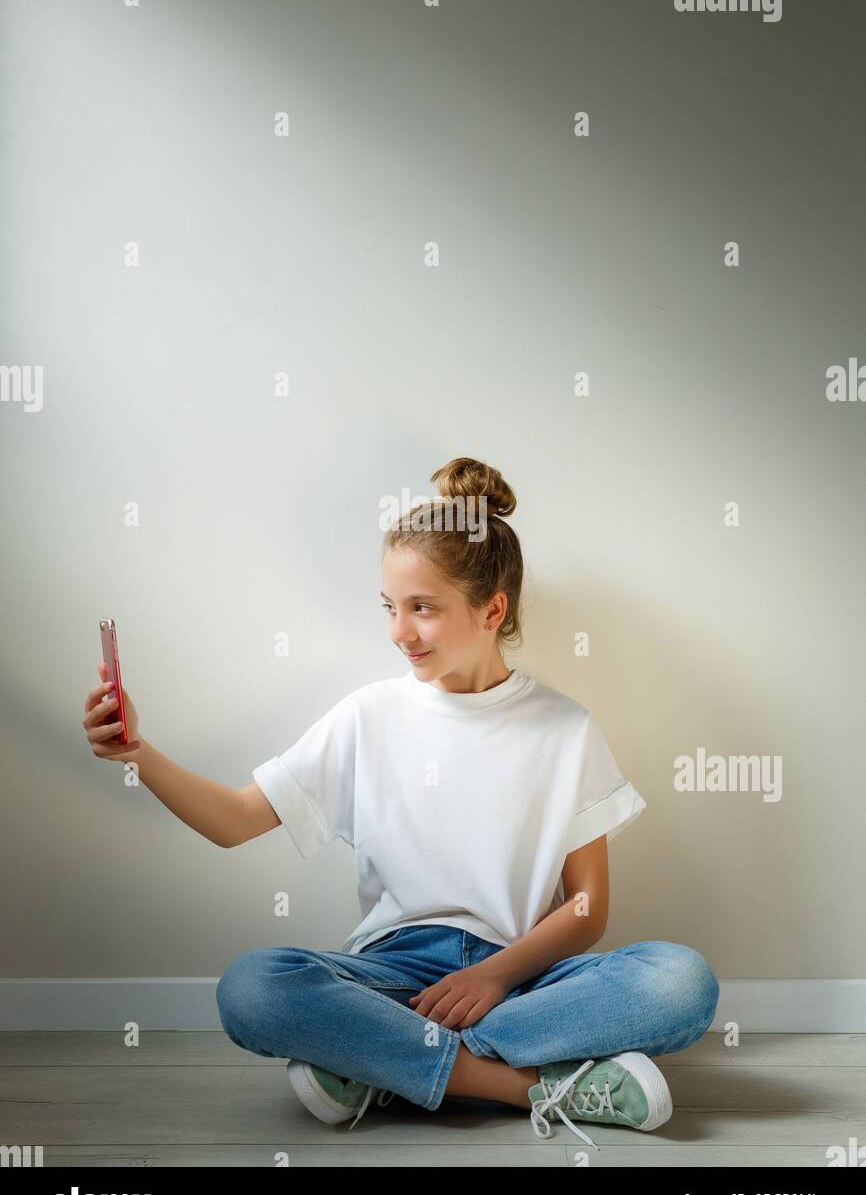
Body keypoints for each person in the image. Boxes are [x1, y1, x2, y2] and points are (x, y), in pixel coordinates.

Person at [82, 456, 719, 1148]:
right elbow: (236, 821)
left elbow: (588, 909)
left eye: (422, 608)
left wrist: (494, 976)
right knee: (253, 987)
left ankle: (377, 1062)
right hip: (392, 976)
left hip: (520, 975)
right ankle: (529, 1085)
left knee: (681, 980)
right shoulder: (368, 716)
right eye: (390, 607)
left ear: (491, 608)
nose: (399, 631)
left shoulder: (566, 730)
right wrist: (138, 756)